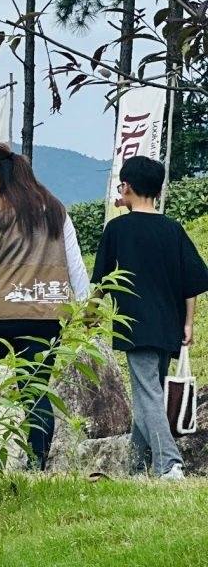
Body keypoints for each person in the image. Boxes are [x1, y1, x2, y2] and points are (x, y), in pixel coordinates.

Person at [0, 143, 90, 468]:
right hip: (46, 314)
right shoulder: (55, 208)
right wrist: (84, 307)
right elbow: (75, 263)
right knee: (35, 389)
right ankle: (36, 464)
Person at [93, 155, 208, 480]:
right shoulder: (172, 229)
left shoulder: (117, 229)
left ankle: (169, 464)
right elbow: (192, 282)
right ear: (157, 190)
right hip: (169, 325)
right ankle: (136, 467)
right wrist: (188, 323)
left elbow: (103, 280)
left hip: (135, 325)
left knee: (148, 395)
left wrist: (88, 314)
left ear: (127, 187)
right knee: (150, 392)